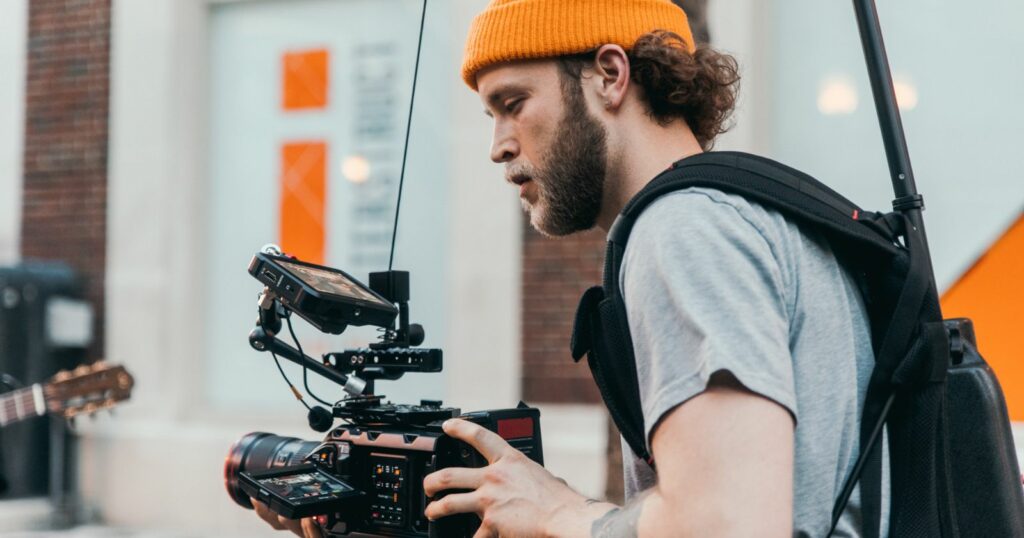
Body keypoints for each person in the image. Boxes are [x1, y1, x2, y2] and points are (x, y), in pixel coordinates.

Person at [255, 0, 885, 536]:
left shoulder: (683, 231)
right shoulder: (755, 212)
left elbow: (725, 523)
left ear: (610, 74)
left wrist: (563, 512)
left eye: (513, 102)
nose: (498, 144)